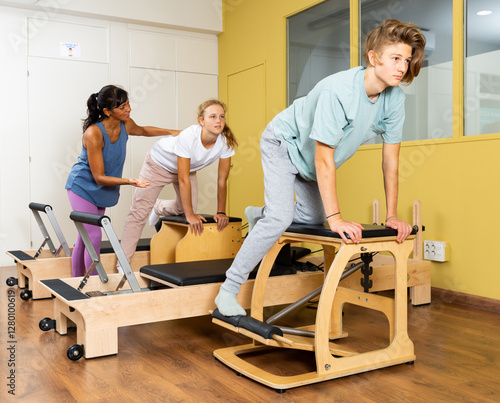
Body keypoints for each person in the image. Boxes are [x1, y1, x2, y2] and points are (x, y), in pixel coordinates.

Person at [215, 18, 426, 316]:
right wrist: (337, 219)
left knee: (313, 219)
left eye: (406, 60)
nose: (402, 67)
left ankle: (259, 214)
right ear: (373, 57)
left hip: (311, 158)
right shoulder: (337, 92)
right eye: (395, 58)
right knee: (280, 219)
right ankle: (228, 290)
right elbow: (324, 157)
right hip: (283, 143)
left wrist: (392, 215)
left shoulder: (394, 99)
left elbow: (390, 160)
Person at [66, 85, 180, 277]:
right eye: (122, 107)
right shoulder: (93, 133)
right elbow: (98, 177)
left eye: (128, 104)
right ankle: (94, 284)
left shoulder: (125, 124)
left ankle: (77, 281)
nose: (128, 109)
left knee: (84, 236)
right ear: (107, 111)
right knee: (93, 235)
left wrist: (172, 131)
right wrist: (130, 181)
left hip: (101, 189)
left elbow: (143, 130)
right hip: (82, 187)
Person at [120, 99, 237, 263]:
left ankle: (159, 206)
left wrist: (221, 212)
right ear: (201, 120)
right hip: (158, 165)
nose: (218, 120)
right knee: (139, 214)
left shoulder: (225, 142)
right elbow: (183, 179)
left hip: (186, 169)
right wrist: (189, 215)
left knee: (186, 208)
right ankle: (123, 264)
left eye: (221, 116)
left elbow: (222, 180)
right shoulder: (189, 136)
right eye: (212, 116)